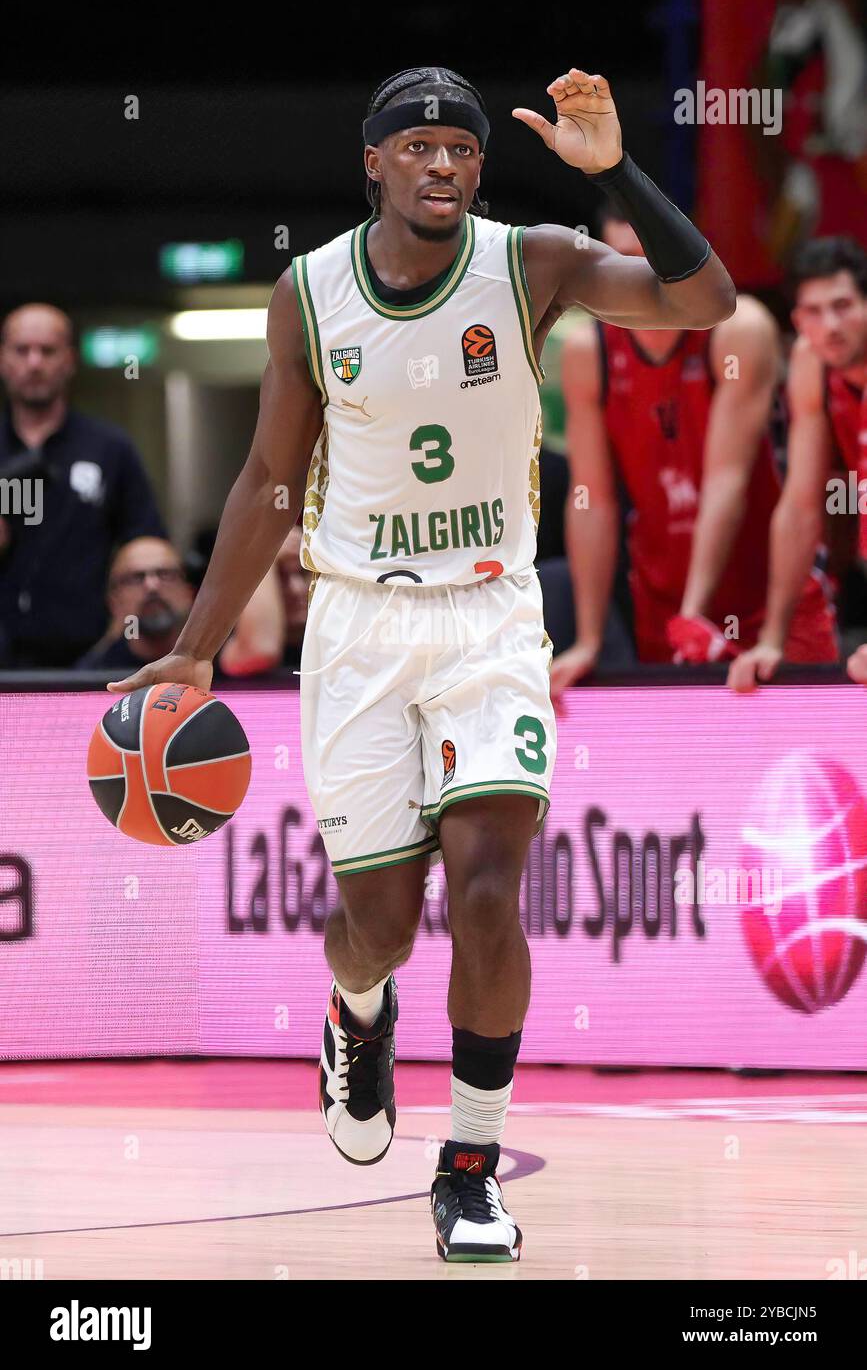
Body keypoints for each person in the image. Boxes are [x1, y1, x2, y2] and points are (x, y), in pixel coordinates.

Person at [107, 64, 735, 1261]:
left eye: (463, 147)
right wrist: (195, 647)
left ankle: (470, 1168)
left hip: (491, 618)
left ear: (481, 169)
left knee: (492, 890)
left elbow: (703, 301)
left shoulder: (533, 260)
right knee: (380, 929)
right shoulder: (308, 293)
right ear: (375, 164)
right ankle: (356, 1012)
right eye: (420, 147)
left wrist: (616, 175)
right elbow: (268, 482)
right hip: (354, 627)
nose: (443, 164)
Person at [551, 205, 836, 691]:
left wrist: (695, 611)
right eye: (618, 265)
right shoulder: (588, 351)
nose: (634, 280)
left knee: (800, 761)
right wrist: (591, 639)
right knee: (689, 760)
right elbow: (592, 499)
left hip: (770, 599)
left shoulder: (739, 329)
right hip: (661, 600)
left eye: (648, 260)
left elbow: (727, 479)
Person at [729, 237, 867, 691]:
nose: (830, 325)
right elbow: (800, 507)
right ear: (796, 322)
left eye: (843, 305)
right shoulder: (811, 362)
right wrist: (772, 639)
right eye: (814, 311)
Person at [0, 303, 166, 667]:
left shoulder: (108, 447)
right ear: (2, 358)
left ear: (70, 360)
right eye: (21, 350)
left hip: (88, 658)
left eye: (47, 351)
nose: (34, 363)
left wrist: (125, 629)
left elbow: (147, 545)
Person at [75, 537, 194, 671]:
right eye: (136, 578)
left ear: (188, 593)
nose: (152, 586)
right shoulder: (89, 677)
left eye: (165, 574)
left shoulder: (217, 664)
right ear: (114, 601)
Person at [219, 526, 310, 676]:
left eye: (304, 572)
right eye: (280, 575)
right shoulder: (223, 645)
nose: (297, 589)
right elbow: (260, 649)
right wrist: (262, 552)